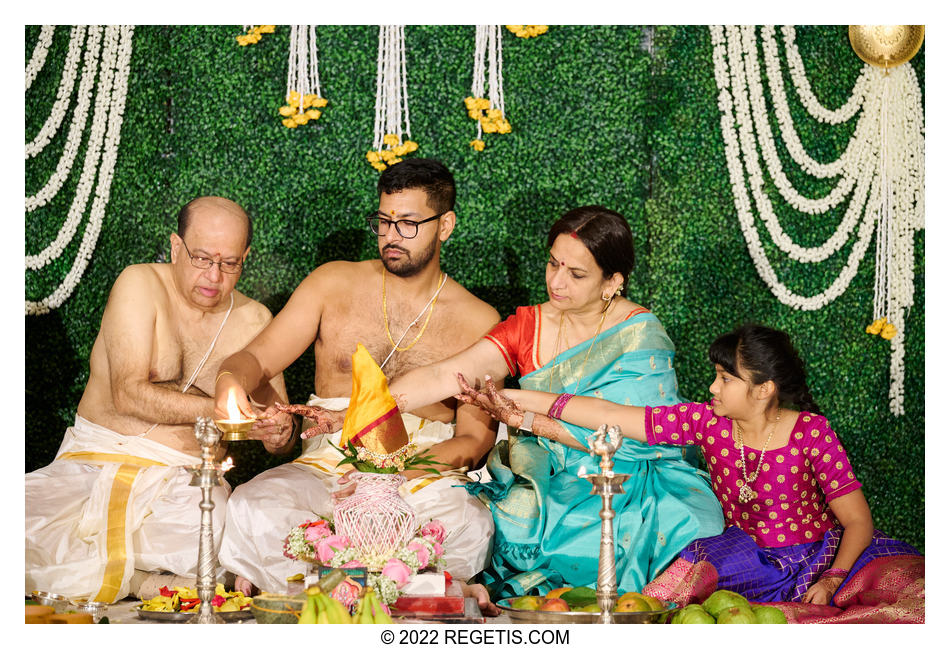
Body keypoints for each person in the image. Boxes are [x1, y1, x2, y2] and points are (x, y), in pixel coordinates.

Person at [305, 205, 724, 598]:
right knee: (491, 519)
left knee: (693, 521)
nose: (556, 282)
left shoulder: (639, 334)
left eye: (576, 274)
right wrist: (349, 413)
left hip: (634, 471)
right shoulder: (530, 325)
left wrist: (529, 417)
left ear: (613, 282)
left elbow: (644, 435)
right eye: (553, 264)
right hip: (546, 470)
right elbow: (443, 376)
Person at [458, 324, 923, 619]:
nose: (712, 387)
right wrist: (516, 404)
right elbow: (613, 414)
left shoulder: (810, 433)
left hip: (826, 556)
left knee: (910, 597)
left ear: (764, 391)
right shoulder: (708, 422)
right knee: (671, 594)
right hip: (749, 557)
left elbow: (857, 522)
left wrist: (832, 579)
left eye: (725, 378)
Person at [214, 159, 500, 596]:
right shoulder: (332, 283)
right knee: (252, 505)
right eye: (383, 221)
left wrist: (395, 475)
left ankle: (329, 586)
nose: (390, 236)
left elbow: (474, 440)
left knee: (470, 524)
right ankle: (409, 588)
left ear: (445, 225)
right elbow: (257, 357)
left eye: (407, 224)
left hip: (419, 476)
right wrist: (231, 379)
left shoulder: (479, 319)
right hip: (328, 466)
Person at [25, 197, 292, 603]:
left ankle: (132, 579)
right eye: (202, 258)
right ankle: (141, 581)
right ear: (175, 247)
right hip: (95, 460)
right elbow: (128, 394)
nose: (214, 276)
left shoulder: (255, 320)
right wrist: (222, 409)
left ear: (246, 257)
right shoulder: (140, 284)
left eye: (230, 263)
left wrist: (277, 432)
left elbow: (279, 431)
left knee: (223, 532)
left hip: (188, 483)